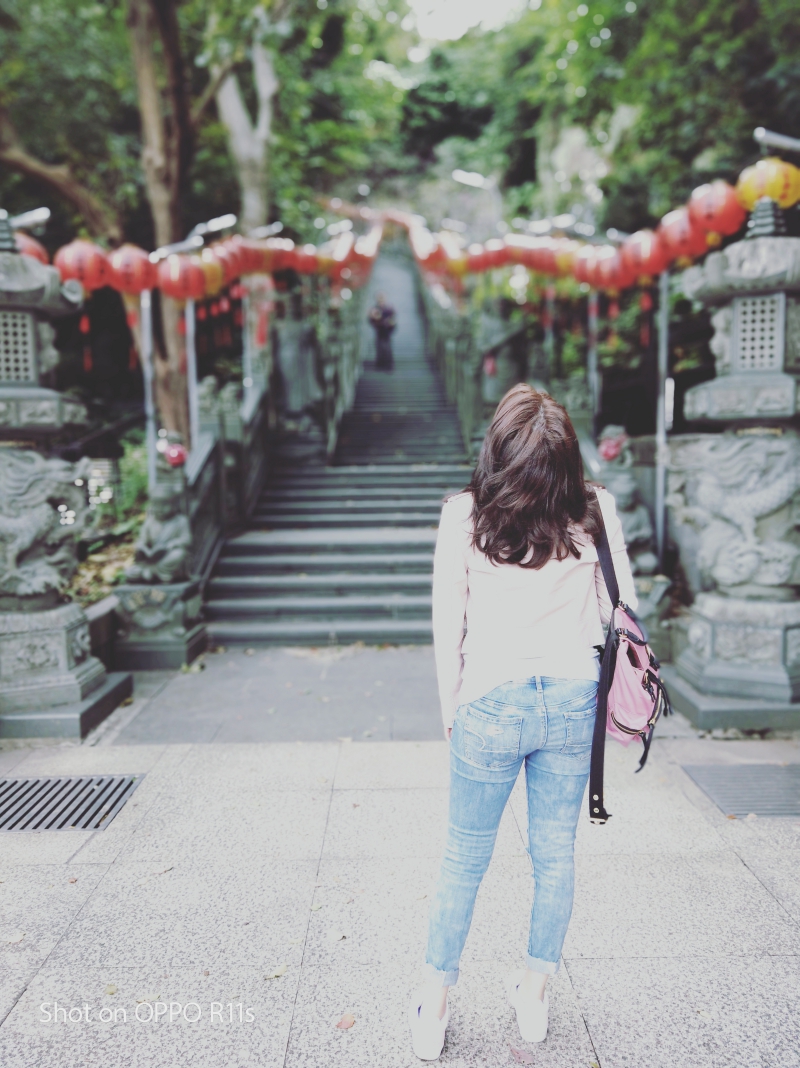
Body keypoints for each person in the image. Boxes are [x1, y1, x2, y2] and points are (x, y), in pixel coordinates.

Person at [409, 383, 636, 1060]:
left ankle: (434, 1006)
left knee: (463, 858)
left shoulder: (463, 515)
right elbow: (617, 608)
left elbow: (448, 624)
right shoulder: (594, 508)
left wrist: (451, 710)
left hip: (489, 698)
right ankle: (534, 995)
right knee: (555, 856)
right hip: (571, 698)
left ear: (498, 451)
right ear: (566, 458)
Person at [368, 292, 397, 370]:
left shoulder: (389, 308)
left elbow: (393, 319)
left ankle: (388, 363)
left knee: (387, 347)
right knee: (379, 346)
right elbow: (371, 319)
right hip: (379, 330)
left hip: (387, 330)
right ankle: (380, 363)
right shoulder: (375, 309)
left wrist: (389, 322)